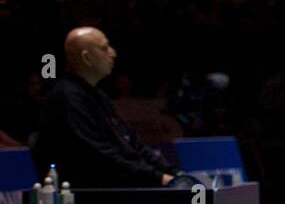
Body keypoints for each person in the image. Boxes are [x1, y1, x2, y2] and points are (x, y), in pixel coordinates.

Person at [33, 27, 182, 188]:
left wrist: (174, 173)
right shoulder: (67, 99)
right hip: (87, 200)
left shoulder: (97, 95)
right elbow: (98, 157)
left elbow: (131, 145)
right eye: (105, 48)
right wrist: (157, 178)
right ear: (87, 58)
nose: (113, 53)